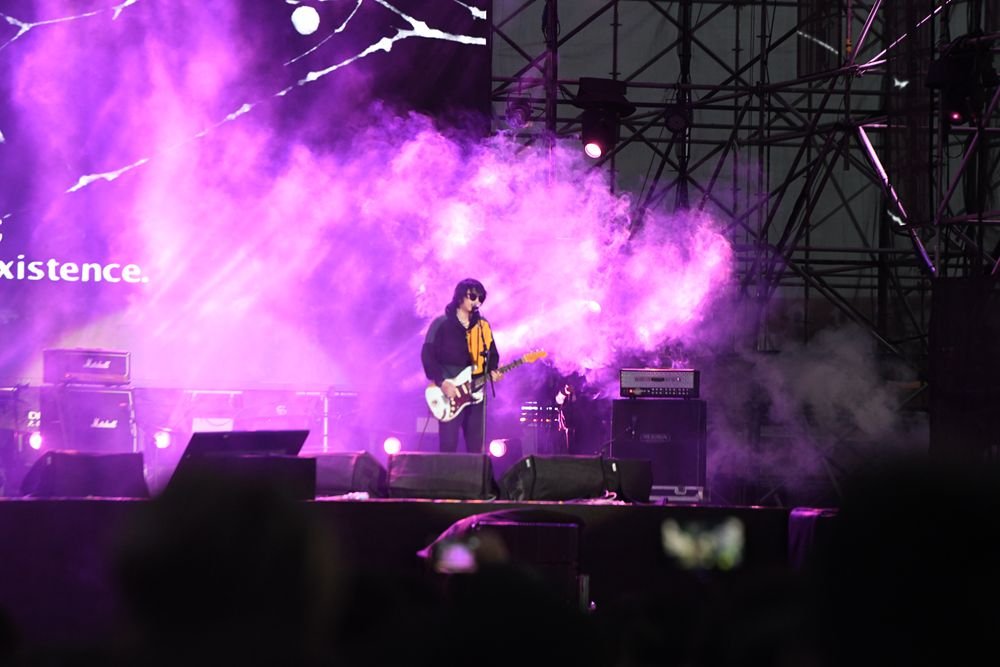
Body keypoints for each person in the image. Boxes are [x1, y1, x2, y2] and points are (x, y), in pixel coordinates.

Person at [421, 279, 502, 453]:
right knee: (448, 445)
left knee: (476, 447)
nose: (477, 301)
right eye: (473, 296)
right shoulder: (441, 324)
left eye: (481, 298)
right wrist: (442, 382)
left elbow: (492, 354)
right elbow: (427, 355)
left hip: (476, 393)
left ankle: (476, 472)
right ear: (460, 297)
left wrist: (493, 370)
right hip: (449, 391)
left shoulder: (483, 326)